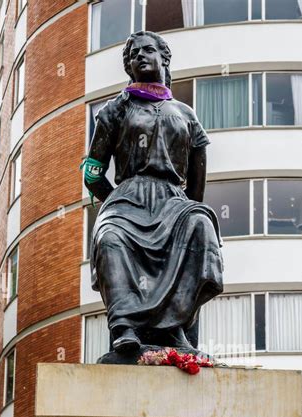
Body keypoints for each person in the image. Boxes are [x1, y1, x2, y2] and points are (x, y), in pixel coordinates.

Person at [82, 30, 223, 356]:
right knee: (109, 236)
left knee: (200, 226)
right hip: (128, 197)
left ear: (164, 58)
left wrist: (187, 209)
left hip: (173, 200)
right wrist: (114, 198)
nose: (139, 57)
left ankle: (174, 330)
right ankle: (124, 328)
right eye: (133, 55)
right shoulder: (115, 109)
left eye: (147, 51)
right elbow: (92, 170)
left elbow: (198, 174)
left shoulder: (186, 114)